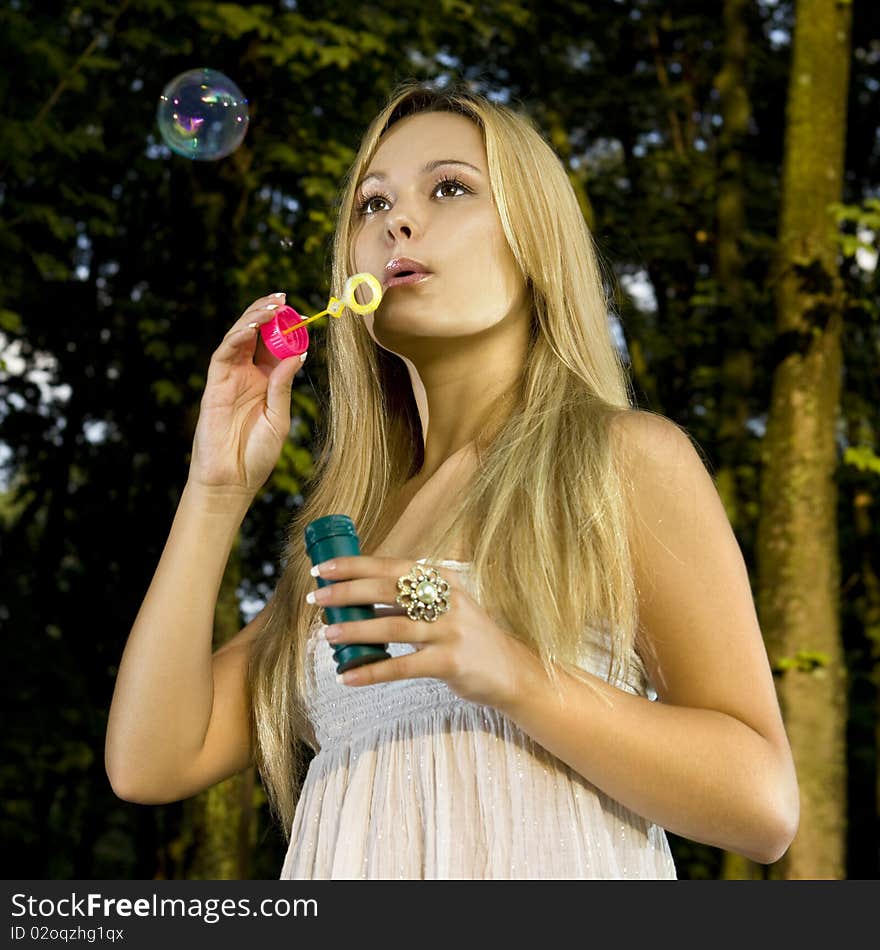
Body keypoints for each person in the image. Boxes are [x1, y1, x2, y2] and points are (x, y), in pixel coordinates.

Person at [105, 79, 800, 880]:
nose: (397, 220)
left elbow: (764, 804)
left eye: (449, 187)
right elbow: (151, 759)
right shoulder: (348, 535)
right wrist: (215, 486)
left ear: (533, 241)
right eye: (372, 204)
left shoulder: (621, 461)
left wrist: (512, 673)